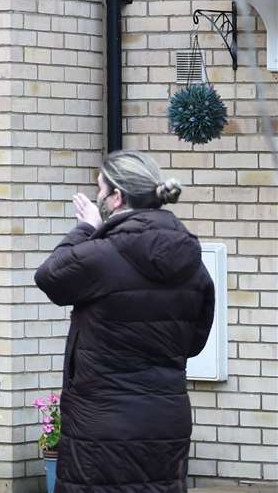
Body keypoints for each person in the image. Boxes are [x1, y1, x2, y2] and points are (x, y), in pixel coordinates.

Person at [34, 149, 214, 493]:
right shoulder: (190, 260)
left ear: (117, 197)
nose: (97, 196)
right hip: (166, 423)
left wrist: (87, 228)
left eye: (101, 189)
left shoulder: (101, 255)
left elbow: (49, 277)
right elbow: (194, 342)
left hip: (101, 428)